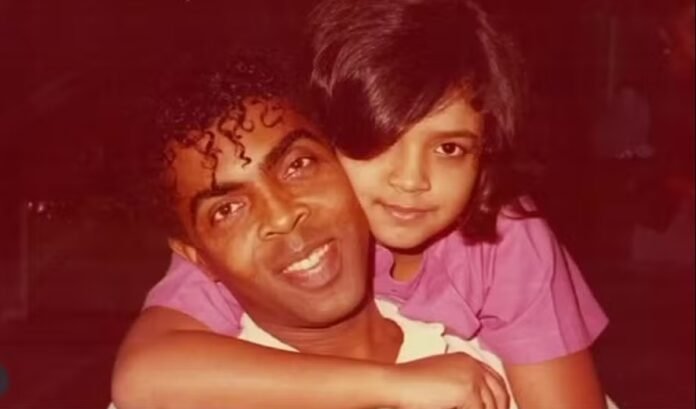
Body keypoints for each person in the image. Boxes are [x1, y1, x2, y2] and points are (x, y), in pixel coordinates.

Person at [113, 1, 611, 408]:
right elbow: (143, 375)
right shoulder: (263, 247)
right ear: (327, 131)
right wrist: (394, 386)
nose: (411, 181)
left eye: (449, 148)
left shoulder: (502, 238)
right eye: (380, 139)